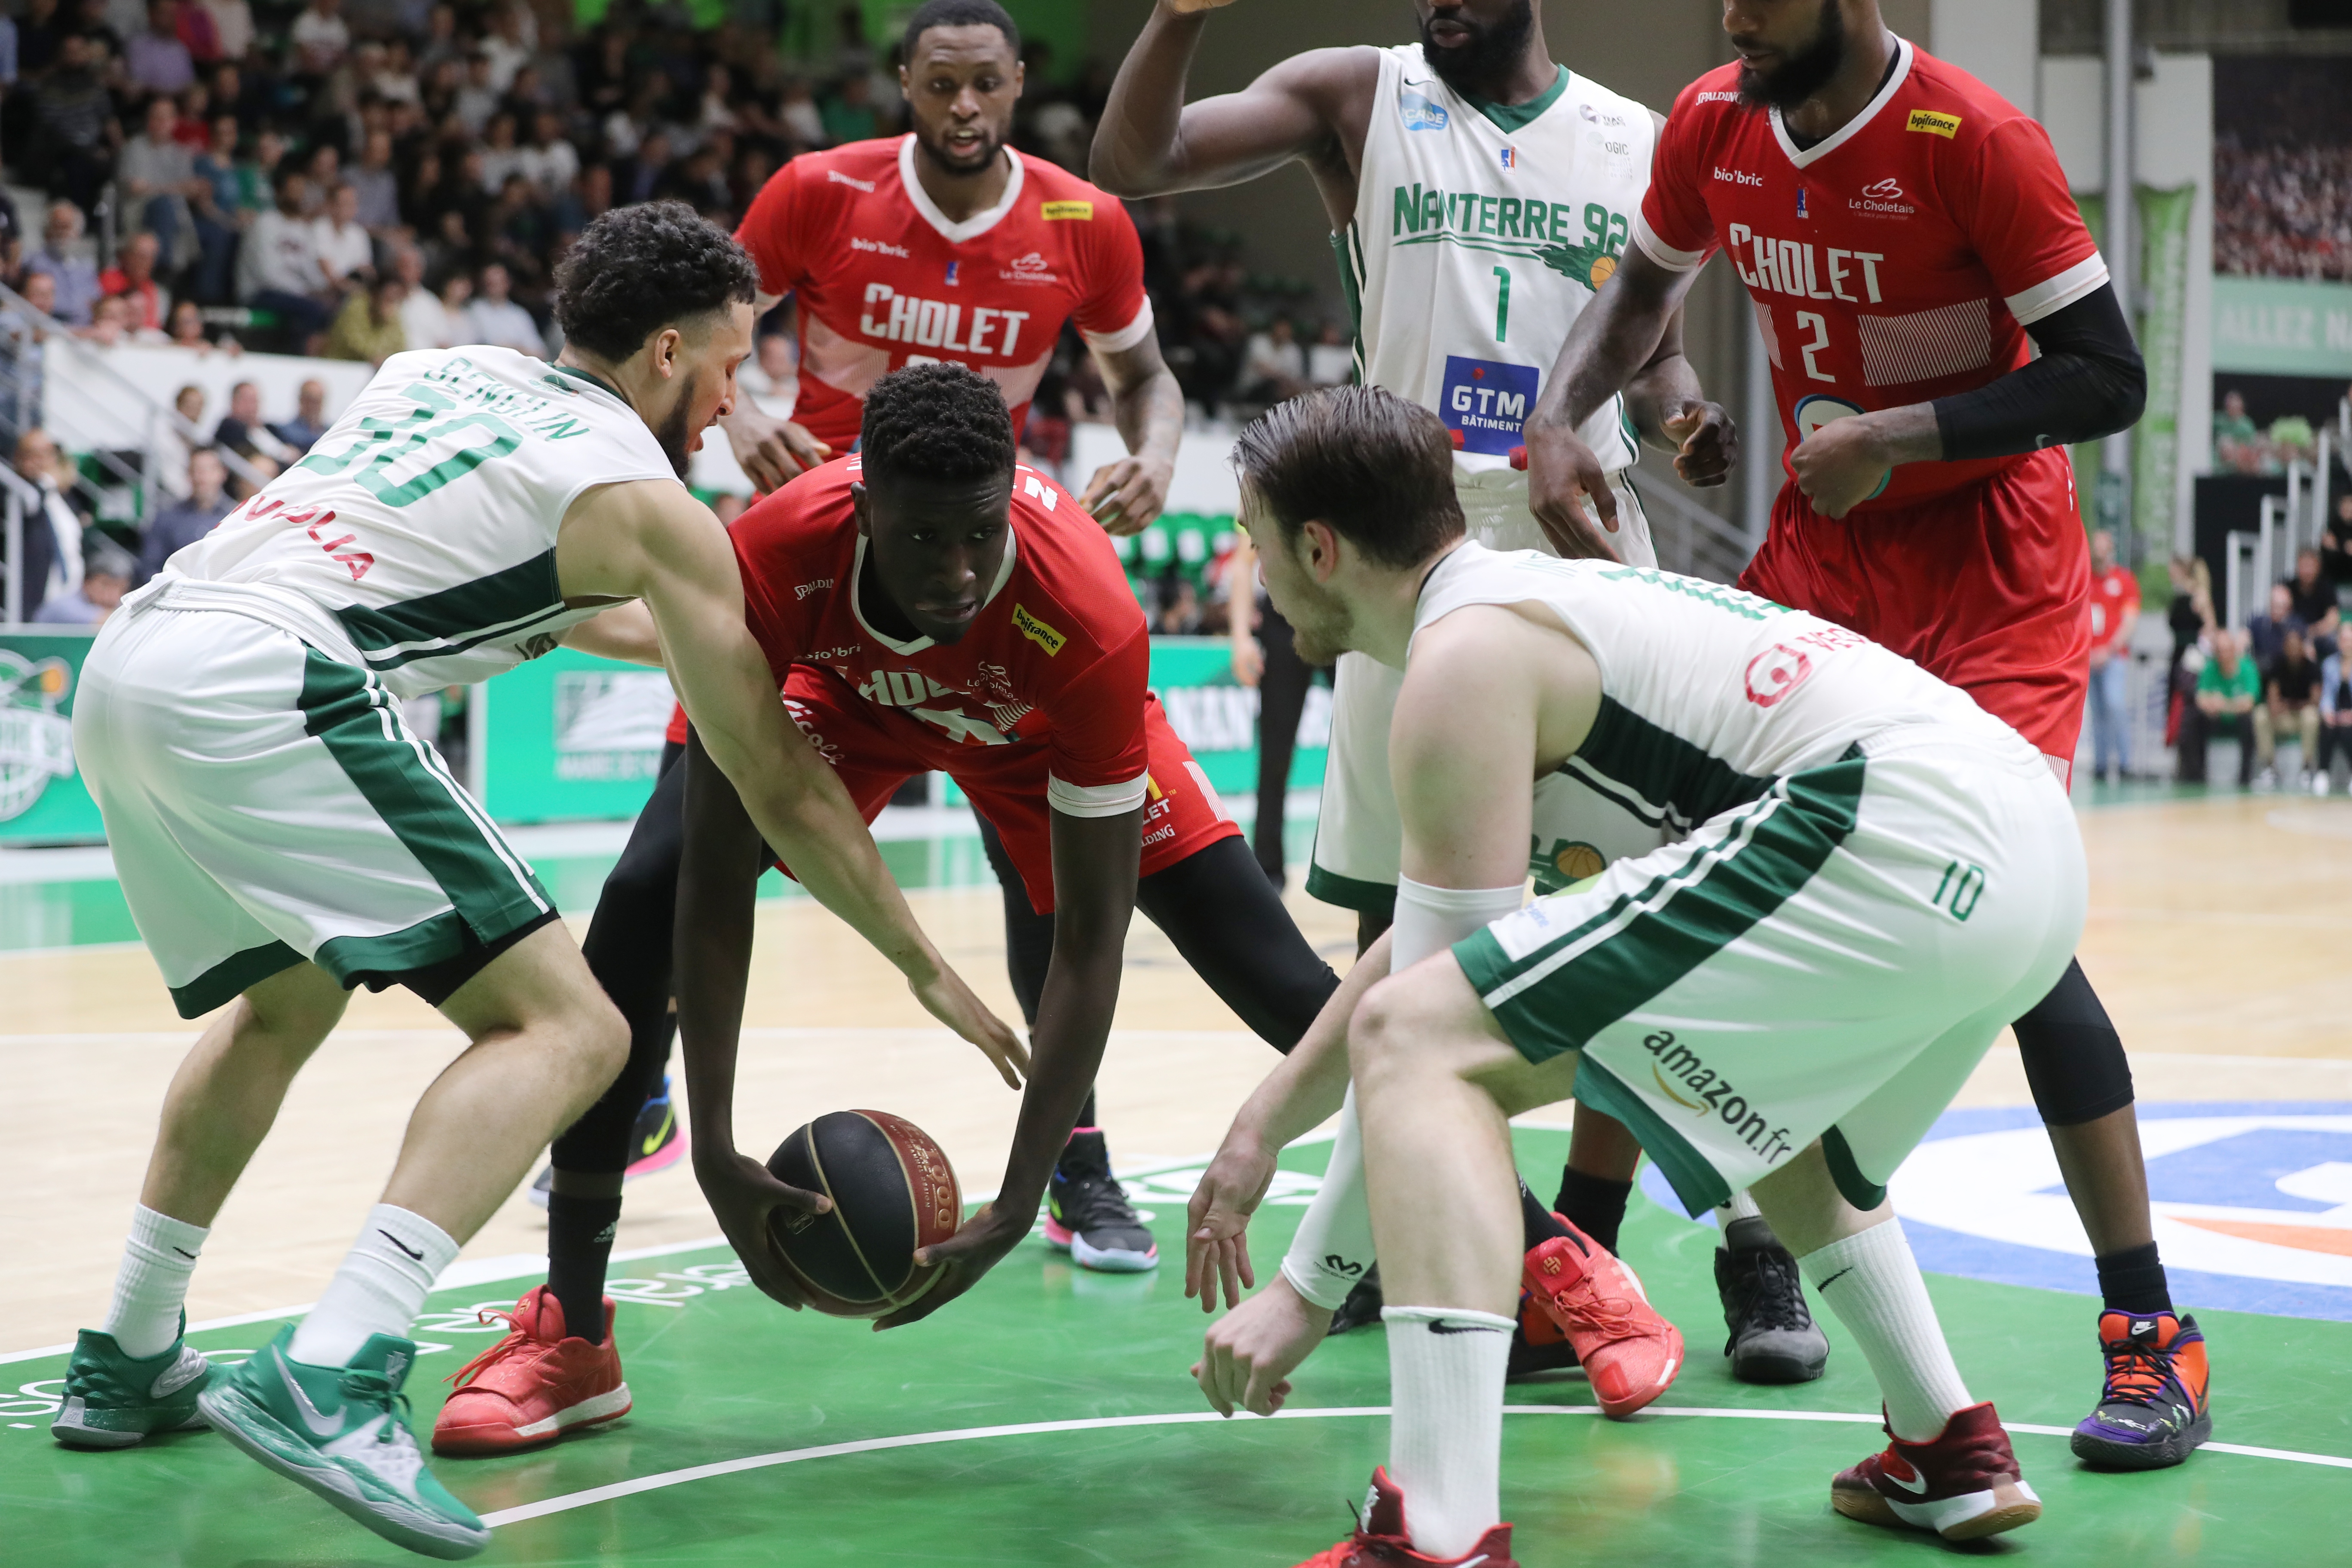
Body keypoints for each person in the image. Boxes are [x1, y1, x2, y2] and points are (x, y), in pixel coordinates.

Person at [47, 203, 1017, 1563]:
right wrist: (922, 962)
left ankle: (131, 1351)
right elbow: (778, 778)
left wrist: (702, 641)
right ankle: (340, 1363)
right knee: (573, 1028)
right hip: (280, 682)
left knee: (281, 1006)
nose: (738, 393)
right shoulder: (651, 501)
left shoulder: (434, 375)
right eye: (733, 362)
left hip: (137, 658)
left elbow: (543, 592)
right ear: (668, 349)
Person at [1187, 386, 2083, 1564]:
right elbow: (1435, 952)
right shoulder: (1531, 606)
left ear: (1317, 549)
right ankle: (1948, 1448)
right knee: (1763, 1107)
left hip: (1895, 818)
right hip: (2030, 850)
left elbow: (1419, 1017)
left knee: (1422, 1045)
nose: (1257, 571)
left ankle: (1437, 1530)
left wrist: (1307, 1289)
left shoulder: (1464, 660)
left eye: (1259, 545)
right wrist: (1263, 1126)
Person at [429, 363, 1343, 1456]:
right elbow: (714, 887)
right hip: (842, 700)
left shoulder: (1086, 608)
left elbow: (1090, 948)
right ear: (862, 510)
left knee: (1282, 981)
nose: (956, 572)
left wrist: (1012, 1202)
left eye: (979, 534)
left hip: (1030, 728)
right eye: (921, 540)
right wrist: (713, 1143)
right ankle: (572, 1331)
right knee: (640, 897)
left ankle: (1520, 1257)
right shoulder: (769, 552)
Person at [1529, 0, 2206, 1467]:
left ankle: (2151, 1329)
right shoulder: (1716, 117)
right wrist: (1563, 414)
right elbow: (1639, 290)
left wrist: (1900, 436)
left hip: (1990, 576)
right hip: (1827, 559)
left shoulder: (1979, 142)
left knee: (2020, 933)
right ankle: (1623, 1250)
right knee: (1684, 875)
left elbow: (2106, 376)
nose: (1731, 18)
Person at [1095, 0, 1742, 1369]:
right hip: (1409, 546)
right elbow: (1135, 160)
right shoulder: (1359, 93)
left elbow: (1653, 334)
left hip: (1579, 535)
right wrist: (1174, 22)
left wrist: (1683, 415)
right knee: (1407, 918)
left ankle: (1593, 1241)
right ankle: (1425, 1230)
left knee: (1617, 893)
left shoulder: (1631, 134)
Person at [235, 169, 333, 349]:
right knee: (311, 310)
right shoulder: (264, 224)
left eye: (301, 190)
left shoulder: (303, 228)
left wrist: (324, 289)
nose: (298, 196)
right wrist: (305, 292)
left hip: (294, 294)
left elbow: (309, 269)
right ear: (280, 192)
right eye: (293, 190)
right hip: (259, 293)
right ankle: (296, 358)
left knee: (332, 308)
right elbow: (267, 274)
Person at [12, 426, 89, 620]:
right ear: (21, 458)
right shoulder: (16, 493)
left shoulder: (62, 497)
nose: (41, 460)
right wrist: (45, 482)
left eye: (47, 453)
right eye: (33, 453)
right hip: (35, 597)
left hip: (70, 593)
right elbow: (29, 505)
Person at [2086, 528, 2139, 784]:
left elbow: (2129, 622)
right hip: (2088, 658)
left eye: (2102, 548)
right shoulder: (2083, 580)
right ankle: (2100, 765)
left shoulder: (2125, 581)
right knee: (2097, 712)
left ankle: (2126, 763)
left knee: (2115, 704)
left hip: (2114, 657)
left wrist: (2109, 650)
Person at [135, 444, 231, 582]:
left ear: (223, 473)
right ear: (188, 474)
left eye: (209, 470)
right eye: (196, 470)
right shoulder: (167, 519)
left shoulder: (234, 517)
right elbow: (151, 567)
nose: (202, 478)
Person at [2182, 627, 2260, 787]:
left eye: (2226, 650)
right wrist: (2212, 704)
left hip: (2238, 718)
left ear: (2233, 651)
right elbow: (2200, 698)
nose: (2223, 655)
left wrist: (2223, 704)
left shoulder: (2247, 668)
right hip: (2215, 718)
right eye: (2219, 651)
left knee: (2251, 721)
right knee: (2192, 719)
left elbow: (2249, 703)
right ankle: (2195, 776)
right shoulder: (2211, 668)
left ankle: (2245, 777)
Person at [2258, 624, 2321, 789]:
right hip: (2283, 717)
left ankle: (2307, 767)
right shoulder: (2277, 665)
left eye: (2296, 646)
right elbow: (2273, 695)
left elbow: (2315, 700)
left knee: (2311, 716)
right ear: (2285, 647)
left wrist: (2293, 705)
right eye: (2289, 646)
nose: (2293, 650)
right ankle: (2269, 767)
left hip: (2301, 717)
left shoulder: (2312, 668)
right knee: (2261, 714)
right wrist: (2277, 706)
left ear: (2302, 647)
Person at [32, 532, 133, 623]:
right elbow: (103, 621)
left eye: (120, 588)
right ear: (87, 583)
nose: (111, 594)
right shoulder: (62, 607)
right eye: (106, 585)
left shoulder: (120, 607)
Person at [457, 261, 543, 355]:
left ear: (508, 282)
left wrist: (513, 348)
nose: (494, 286)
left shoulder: (519, 314)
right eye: (490, 282)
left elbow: (540, 353)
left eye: (499, 282)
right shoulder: (473, 310)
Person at [323, 273, 407, 364]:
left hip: (372, 369)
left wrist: (386, 358)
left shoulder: (394, 316)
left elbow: (400, 346)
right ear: (376, 295)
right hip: (341, 365)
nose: (392, 306)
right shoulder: (356, 307)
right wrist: (378, 356)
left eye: (397, 300)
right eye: (388, 299)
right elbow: (353, 342)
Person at [266, 377, 329, 453]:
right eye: (310, 400)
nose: (314, 406)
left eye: (318, 401)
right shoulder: (284, 432)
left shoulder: (330, 431)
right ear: (301, 400)